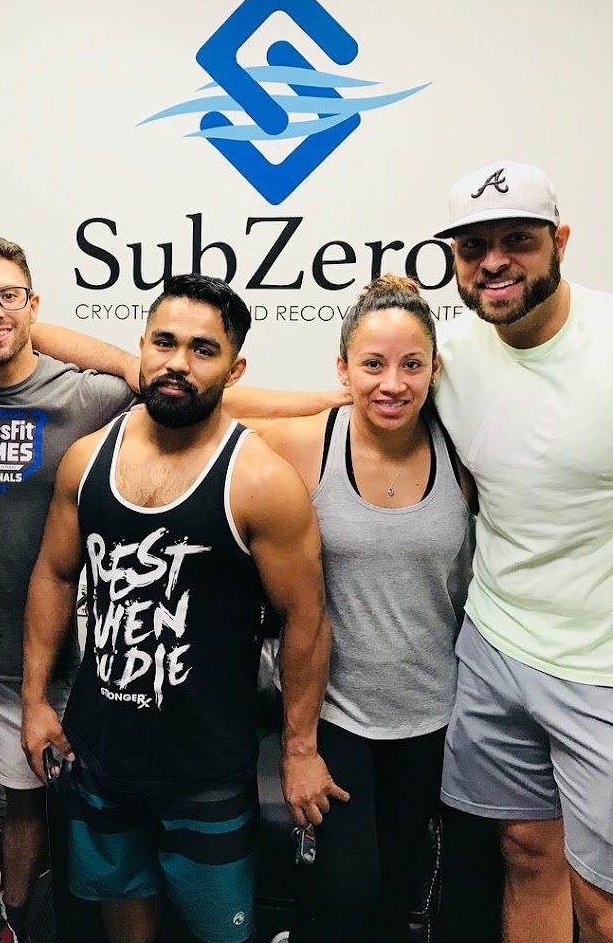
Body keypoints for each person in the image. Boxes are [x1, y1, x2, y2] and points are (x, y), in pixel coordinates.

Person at [21, 274, 345, 943]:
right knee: (122, 910)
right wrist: (34, 701)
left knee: (217, 931)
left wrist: (299, 749)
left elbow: (307, 622)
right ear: (141, 346)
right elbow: (54, 574)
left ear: (235, 368)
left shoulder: (261, 482)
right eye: (164, 342)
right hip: (101, 748)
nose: (177, 362)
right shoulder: (87, 460)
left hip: (206, 763)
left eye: (203, 349)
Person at [0, 236, 136, 943]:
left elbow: (182, 389)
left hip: (40, 659)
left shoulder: (84, 396)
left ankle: (3, 922)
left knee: (25, 807)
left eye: (10, 295)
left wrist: (126, 360)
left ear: (35, 303)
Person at [249, 275, 474, 942]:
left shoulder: (463, 452)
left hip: (432, 715)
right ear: (343, 368)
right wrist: (335, 400)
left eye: (412, 365)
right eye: (372, 364)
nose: (393, 384)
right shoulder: (308, 443)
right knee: (347, 892)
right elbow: (209, 401)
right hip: (337, 716)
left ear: (435, 370)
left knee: (398, 897)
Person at [434, 161, 613, 943]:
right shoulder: (445, 354)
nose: (494, 262)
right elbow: (342, 405)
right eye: (473, 247)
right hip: (495, 645)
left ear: (560, 242)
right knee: (527, 852)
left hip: (600, 667)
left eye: (517, 240)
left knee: (603, 904)